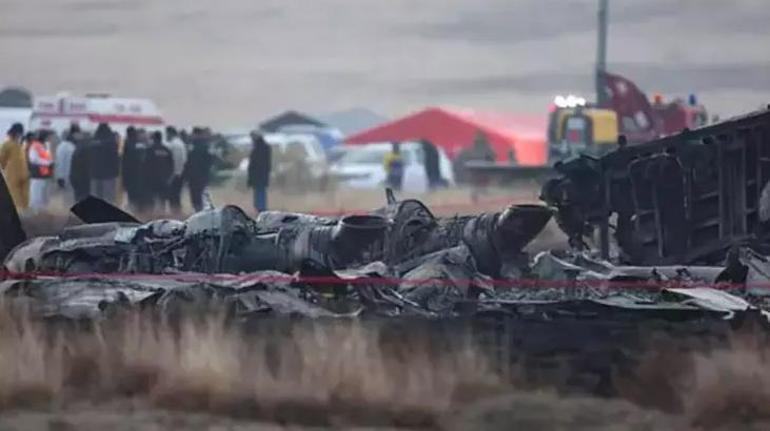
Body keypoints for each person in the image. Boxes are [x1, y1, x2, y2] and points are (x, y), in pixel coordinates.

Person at [0, 123, 30, 211]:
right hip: (14, 174)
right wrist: (4, 168)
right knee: (15, 195)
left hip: (23, 174)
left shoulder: (20, 144)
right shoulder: (7, 144)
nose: (19, 135)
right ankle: (19, 211)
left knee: (24, 195)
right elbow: (1, 159)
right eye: (18, 133)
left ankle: (23, 211)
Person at [121, 127, 151, 212]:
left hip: (130, 173)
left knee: (132, 194)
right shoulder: (143, 144)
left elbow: (124, 161)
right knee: (141, 193)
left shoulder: (127, 144)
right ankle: (141, 209)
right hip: (142, 173)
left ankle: (134, 210)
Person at [89, 123, 120, 203]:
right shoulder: (111, 141)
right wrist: (116, 172)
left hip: (94, 174)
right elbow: (115, 158)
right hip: (108, 175)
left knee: (95, 199)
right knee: (109, 199)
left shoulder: (92, 141)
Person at [184, 128, 213, 212]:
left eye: (193, 134)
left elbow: (208, 161)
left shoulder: (198, 146)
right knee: (198, 195)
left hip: (197, 175)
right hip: (199, 175)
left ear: (197, 134)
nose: (192, 136)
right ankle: (199, 210)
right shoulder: (202, 146)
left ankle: (199, 211)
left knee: (197, 196)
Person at [145, 131, 174, 212]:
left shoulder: (150, 149)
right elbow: (171, 165)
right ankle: (162, 214)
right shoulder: (167, 150)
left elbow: (146, 165)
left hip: (152, 179)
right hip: (164, 179)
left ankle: (152, 215)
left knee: (151, 200)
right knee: (162, 200)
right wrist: (169, 177)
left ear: (154, 139)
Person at [27, 130, 54, 212]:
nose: (49, 139)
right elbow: (34, 159)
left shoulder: (44, 146)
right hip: (37, 174)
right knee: (36, 194)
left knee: (44, 194)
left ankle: (43, 212)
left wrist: (50, 162)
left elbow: (47, 157)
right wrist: (48, 163)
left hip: (45, 174)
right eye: (48, 137)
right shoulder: (34, 146)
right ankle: (35, 212)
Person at [54, 124, 79, 207]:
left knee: (65, 198)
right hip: (69, 177)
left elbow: (58, 162)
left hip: (60, 176)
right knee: (70, 198)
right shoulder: (71, 147)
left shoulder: (61, 145)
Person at [247, 131, 272, 212]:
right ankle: (260, 207)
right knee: (260, 191)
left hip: (258, 173)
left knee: (259, 191)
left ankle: (261, 207)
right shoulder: (264, 147)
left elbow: (255, 162)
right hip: (262, 173)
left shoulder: (258, 148)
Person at [164, 126, 187, 213]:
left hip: (176, 174)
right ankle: (177, 213)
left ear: (170, 133)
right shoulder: (180, 143)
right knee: (176, 196)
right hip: (179, 173)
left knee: (173, 197)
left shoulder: (174, 144)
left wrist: (172, 176)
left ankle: (176, 214)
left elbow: (176, 161)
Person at [69, 131, 91, 203]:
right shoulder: (87, 149)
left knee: (78, 196)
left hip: (75, 176)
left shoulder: (77, 148)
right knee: (84, 196)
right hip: (83, 177)